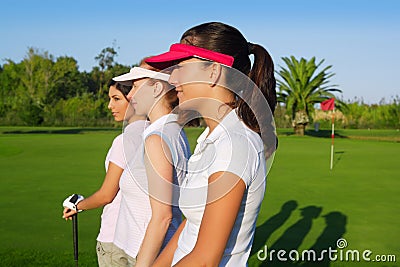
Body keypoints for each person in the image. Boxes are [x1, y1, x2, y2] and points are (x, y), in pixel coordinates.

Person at [145, 21, 278, 266]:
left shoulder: (235, 145)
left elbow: (205, 259)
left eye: (181, 66)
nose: (172, 77)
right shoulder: (211, 137)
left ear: (214, 71)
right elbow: (193, 224)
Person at [112, 62, 191, 267]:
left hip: (150, 254)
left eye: (136, 87)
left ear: (156, 88)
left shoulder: (158, 138)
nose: (130, 96)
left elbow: (163, 217)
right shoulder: (174, 130)